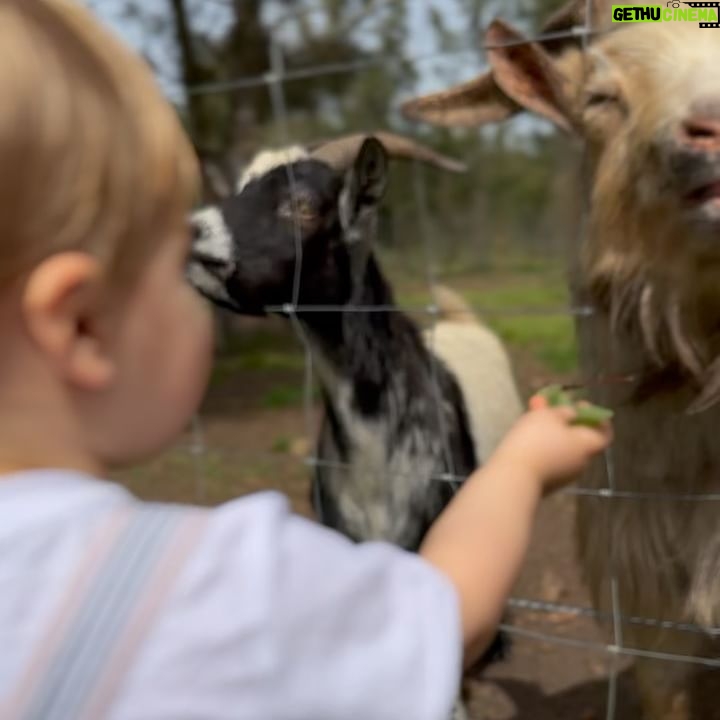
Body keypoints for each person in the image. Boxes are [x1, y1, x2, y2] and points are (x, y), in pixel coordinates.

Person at [0, 1, 612, 719]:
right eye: (176, 260)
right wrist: (521, 466)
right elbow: (448, 616)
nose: (209, 248)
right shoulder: (227, 584)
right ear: (79, 326)